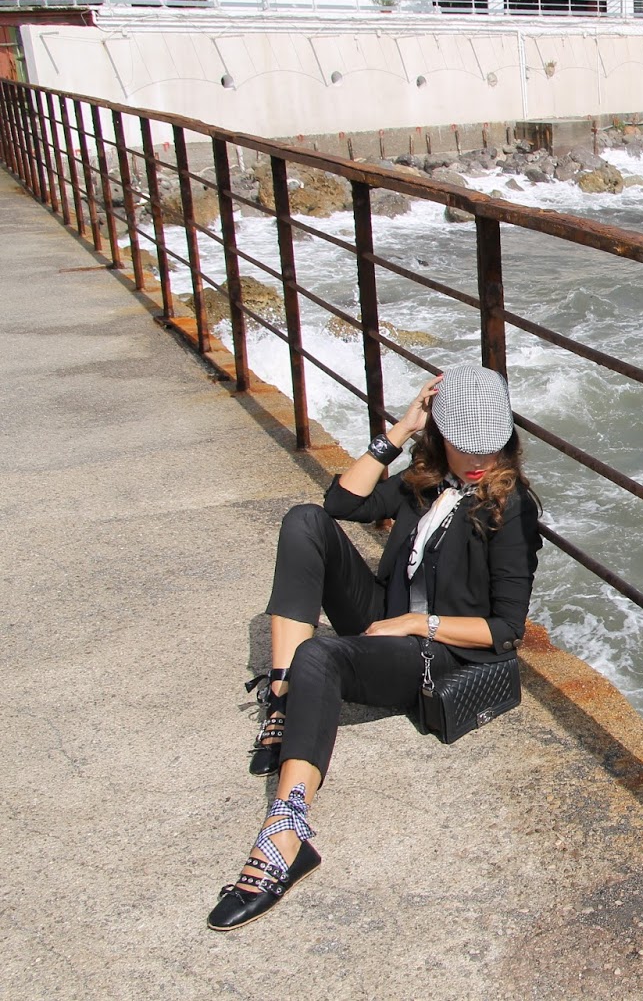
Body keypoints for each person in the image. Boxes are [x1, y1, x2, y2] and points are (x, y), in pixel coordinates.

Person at [207, 365, 543, 931]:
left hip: (432, 651)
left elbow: (507, 628)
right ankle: (285, 699)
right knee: (304, 521)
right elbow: (339, 501)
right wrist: (398, 432)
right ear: (439, 430)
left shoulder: (511, 508)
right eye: (463, 441)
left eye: (489, 442)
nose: (477, 456)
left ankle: (286, 835)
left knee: (323, 653)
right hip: (385, 620)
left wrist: (418, 623)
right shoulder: (425, 478)